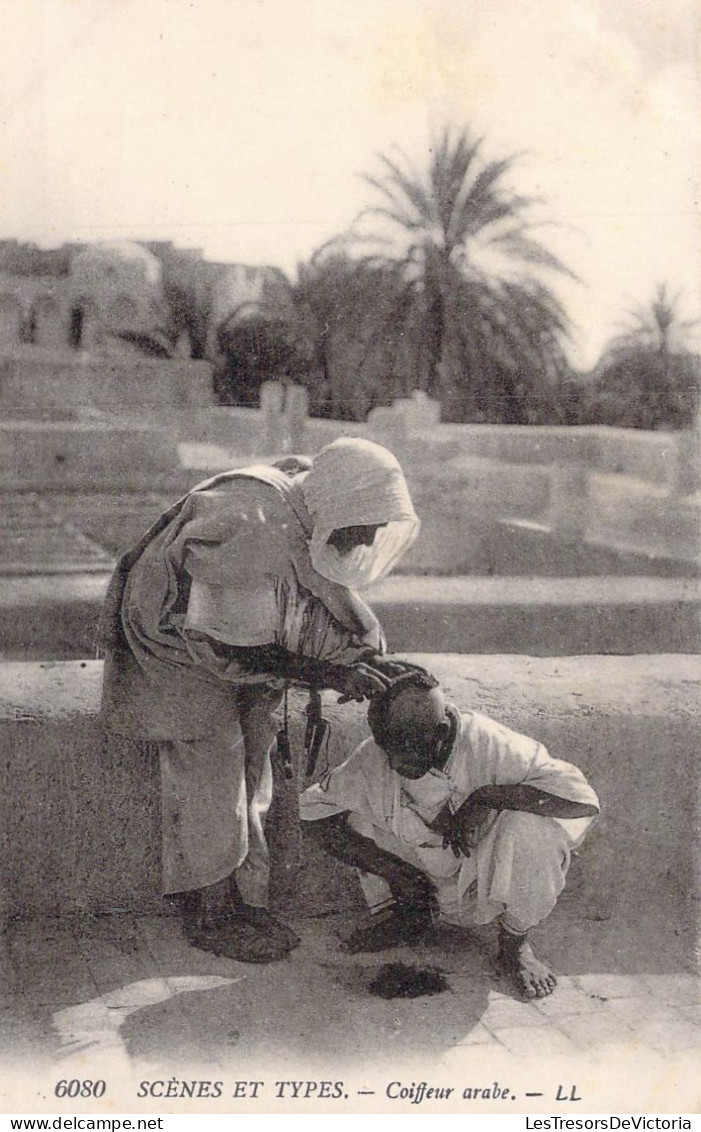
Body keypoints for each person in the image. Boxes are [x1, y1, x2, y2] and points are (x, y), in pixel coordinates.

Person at [97, 438, 421, 964]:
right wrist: (330, 671)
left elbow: (313, 593)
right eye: (368, 522)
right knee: (213, 756)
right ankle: (210, 914)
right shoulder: (257, 528)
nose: (370, 536)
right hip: (174, 636)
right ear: (342, 502)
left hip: (219, 626)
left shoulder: (303, 499)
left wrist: (364, 660)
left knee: (257, 744)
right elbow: (222, 641)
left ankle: (229, 895)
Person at [300, 671, 600, 998]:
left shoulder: (491, 744)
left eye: (407, 747)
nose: (396, 762)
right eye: (389, 748)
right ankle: (409, 913)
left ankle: (514, 945)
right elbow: (311, 813)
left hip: (484, 877)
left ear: (441, 732)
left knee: (536, 829)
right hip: (419, 879)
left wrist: (485, 798)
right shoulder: (375, 757)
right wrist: (396, 873)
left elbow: (581, 802)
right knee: (353, 804)